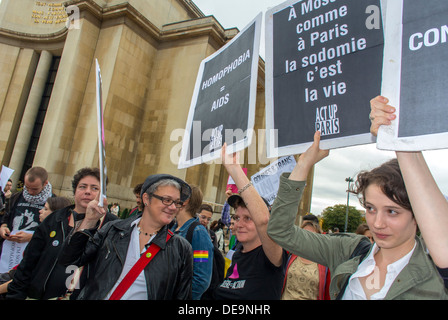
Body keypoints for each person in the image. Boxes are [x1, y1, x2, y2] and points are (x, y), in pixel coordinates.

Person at [267, 95, 448, 299]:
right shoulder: (349, 251)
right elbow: (280, 231)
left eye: (392, 211)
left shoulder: (437, 276)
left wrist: (399, 139)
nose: (377, 223)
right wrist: (303, 165)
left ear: (417, 216)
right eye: (370, 208)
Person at [58, 173, 193, 300]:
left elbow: (182, 296)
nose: (173, 207)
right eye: (167, 200)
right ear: (146, 199)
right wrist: (89, 221)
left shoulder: (181, 248)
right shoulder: (113, 230)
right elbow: (69, 259)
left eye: (177, 202)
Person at [6, 168, 117, 300]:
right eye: (82, 187)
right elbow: (28, 263)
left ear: (103, 194)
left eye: (94, 188)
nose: (87, 191)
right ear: (75, 191)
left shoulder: (111, 227)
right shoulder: (55, 219)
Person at [213, 144, 287, 300]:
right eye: (237, 217)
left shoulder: (269, 256)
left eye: (248, 218)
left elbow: (263, 220)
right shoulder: (238, 253)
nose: (239, 224)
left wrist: (235, 169)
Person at [0, 196, 73, 298]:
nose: (40, 211)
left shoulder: (52, 244)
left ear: (55, 214)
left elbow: (25, 277)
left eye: (46, 209)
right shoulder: (43, 234)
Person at [170, 185, 214, 300]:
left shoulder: (199, 233)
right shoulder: (172, 229)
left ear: (184, 202)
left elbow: (201, 279)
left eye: (175, 197)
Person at [0, 167, 53, 245]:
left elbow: (53, 231)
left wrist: (32, 237)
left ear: (45, 183)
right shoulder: (16, 197)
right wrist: (3, 227)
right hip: (10, 248)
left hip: (34, 250)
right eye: (27, 187)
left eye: (35, 189)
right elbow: (5, 218)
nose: (30, 192)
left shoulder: (53, 202)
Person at [282, 219, 331, 300]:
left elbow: (328, 294)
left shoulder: (325, 264)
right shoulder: (290, 255)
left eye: (311, 235)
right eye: (304, 234)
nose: (307, 238)